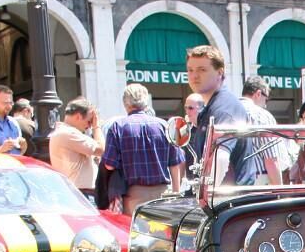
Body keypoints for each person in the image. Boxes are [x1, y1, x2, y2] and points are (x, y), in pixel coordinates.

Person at [101, 84, 184, 215]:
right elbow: (175, 163)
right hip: (163, 194)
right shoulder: (164, 125)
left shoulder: (118, 127)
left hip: (134, 195)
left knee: (134, 234)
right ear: (146, 103)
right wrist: (176, 193)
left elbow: (110, 165)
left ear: (125, 104)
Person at [186, 45, 256, 185]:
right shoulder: (213, 106)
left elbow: (221, 158)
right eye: (190, 70)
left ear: (220, 73)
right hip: (225, 199)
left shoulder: (223, 108)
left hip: (230, 200)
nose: (194, 75)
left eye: (202, 70)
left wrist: (206, 193)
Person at [48, 98, 104, 198]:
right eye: (89, 121)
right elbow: (101, 149)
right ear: (78, 116)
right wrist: (97, 127)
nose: (89, 126)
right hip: (80, 193)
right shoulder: (68, 133)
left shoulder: (64, 132)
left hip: (76, 191)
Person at [240, 76, 291, 185]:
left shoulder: (227, 112)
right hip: (258, 181)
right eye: (266, 98)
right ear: (258, 94)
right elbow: (271, 160)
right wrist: (279, 192)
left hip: (228, 184)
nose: (265, 104)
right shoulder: (262, 116)